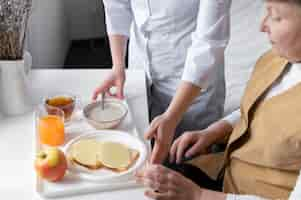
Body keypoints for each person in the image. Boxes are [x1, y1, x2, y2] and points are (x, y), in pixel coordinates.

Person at [136, 0, 301, 199]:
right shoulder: (278, 57)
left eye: (275, 16)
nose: (262, 26)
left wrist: (198, 195)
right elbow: (255, 108)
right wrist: (213, 132)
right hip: (225, 173)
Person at [92, 0, 231, 164]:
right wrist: (118, 65)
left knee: (190, 164)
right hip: (140, 68)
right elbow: (117, 5)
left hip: (190, 84)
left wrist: (172, 116)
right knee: (139, 158)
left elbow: (208, 43)